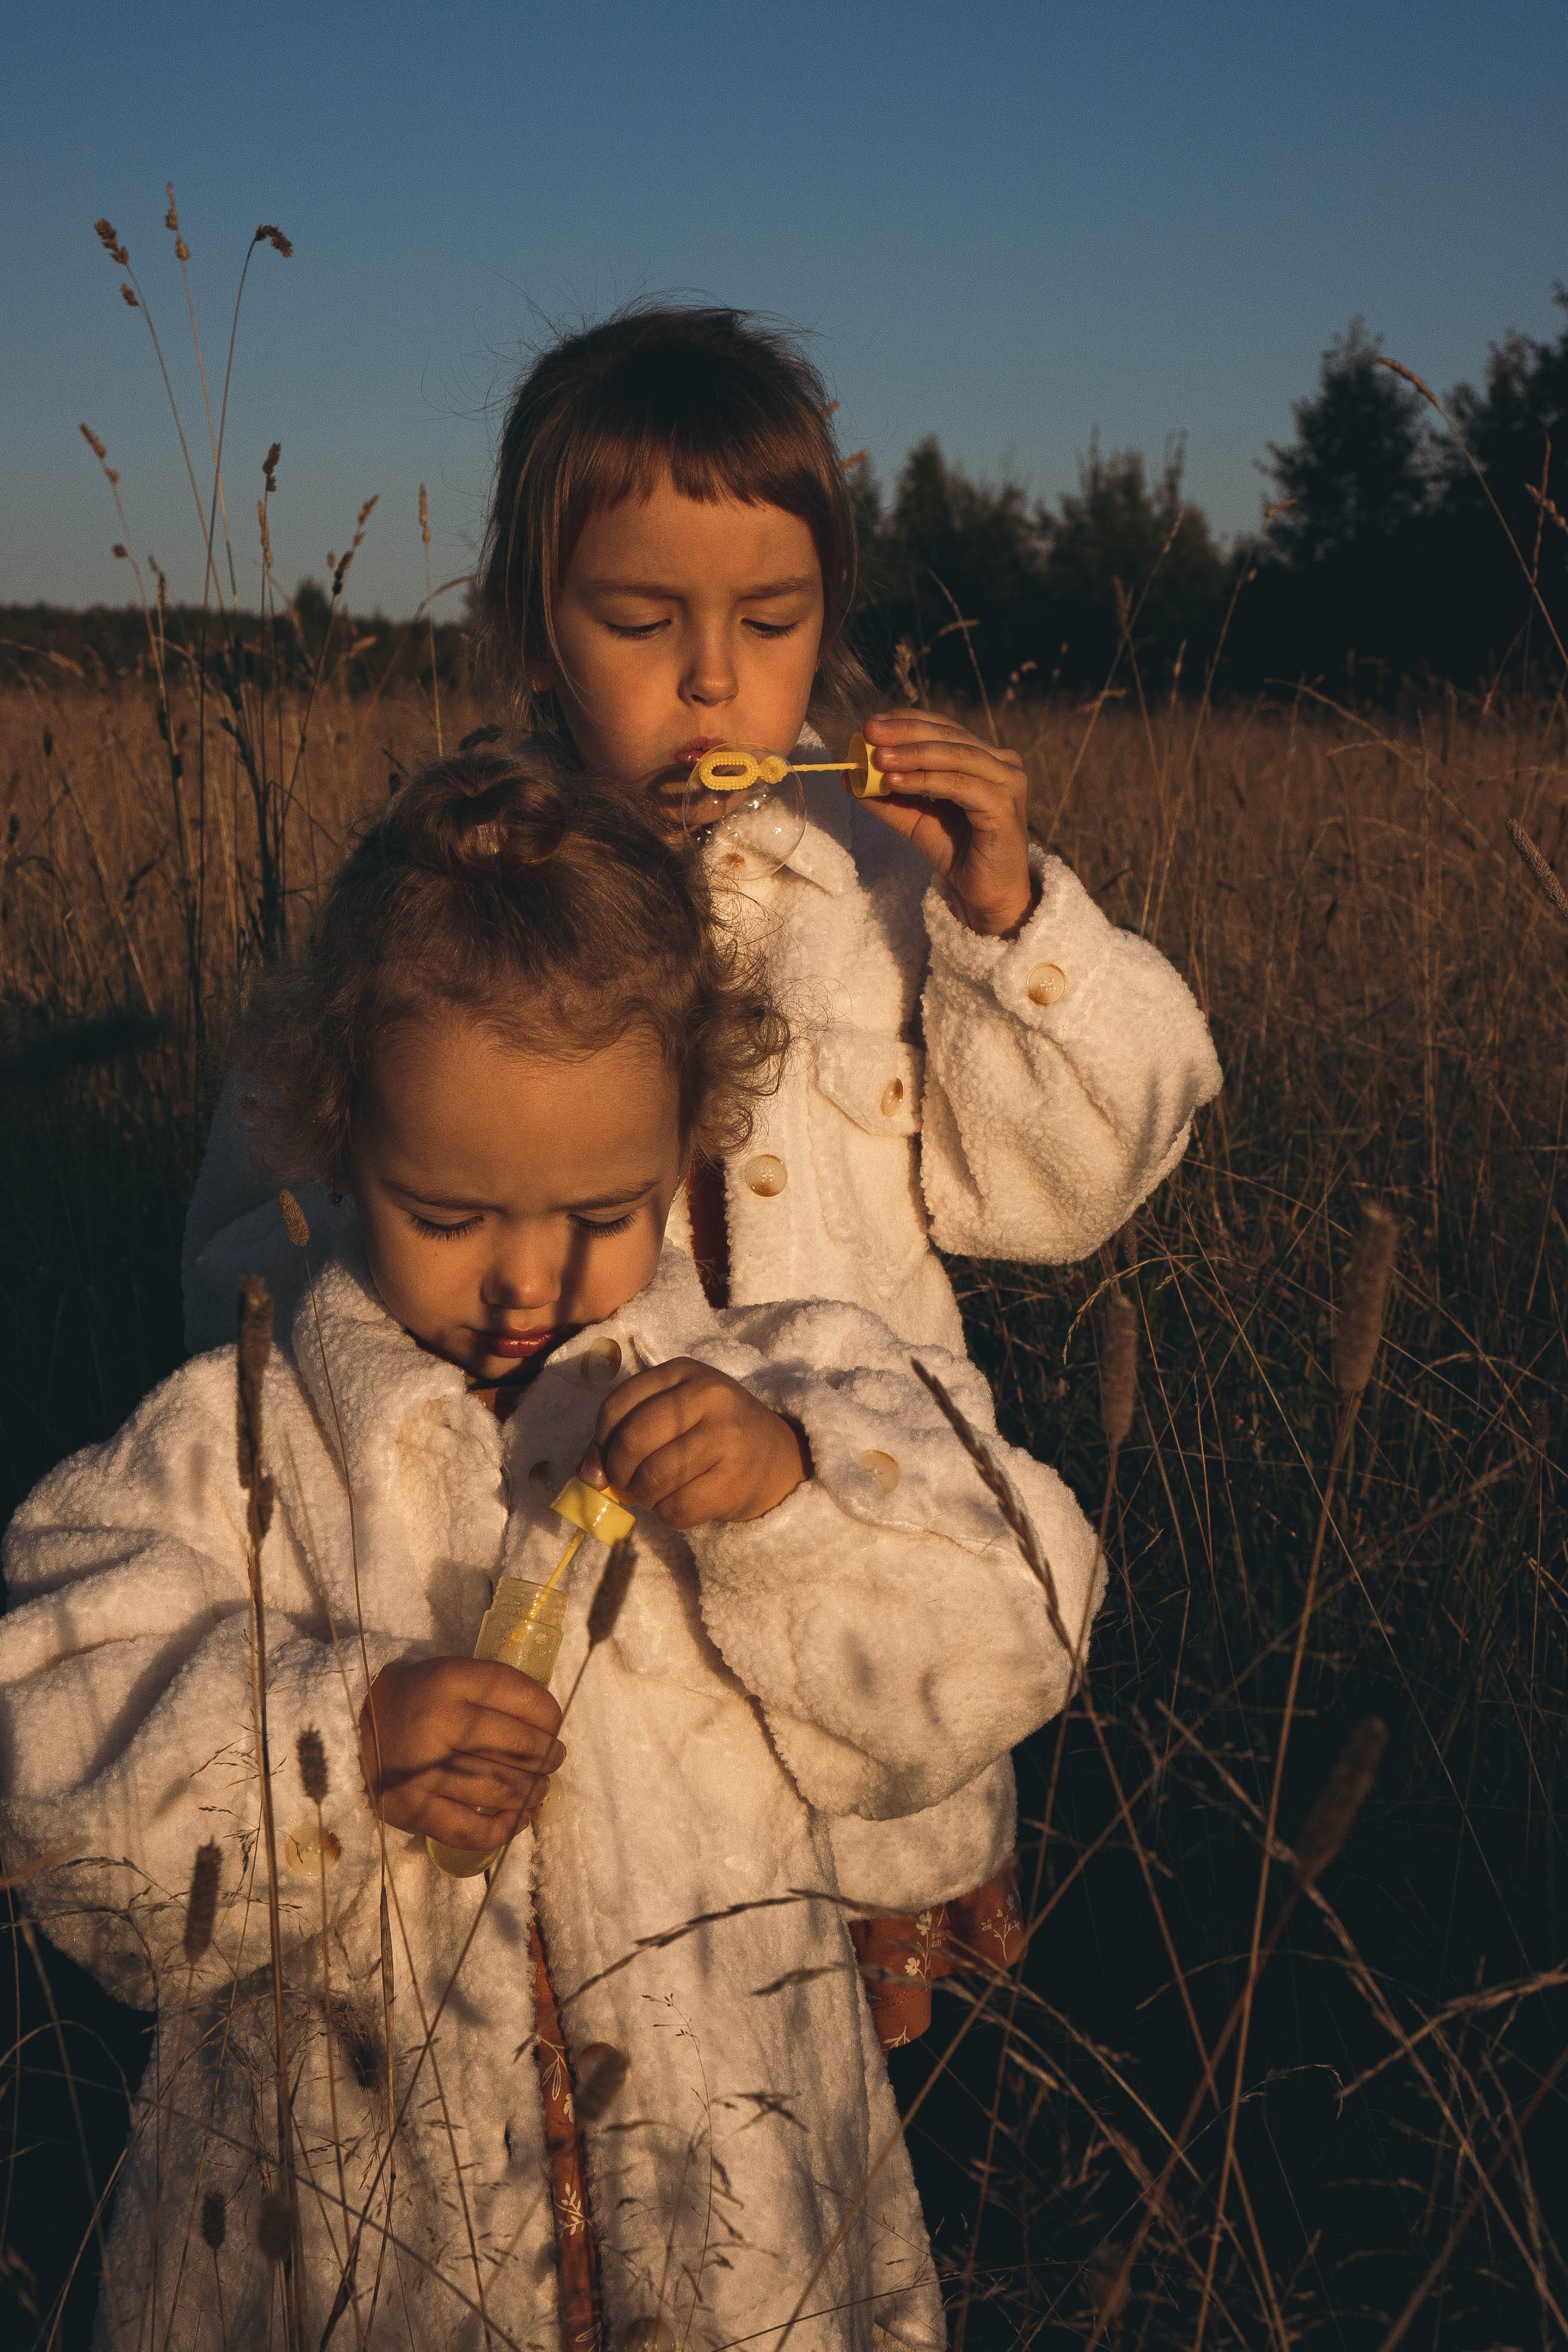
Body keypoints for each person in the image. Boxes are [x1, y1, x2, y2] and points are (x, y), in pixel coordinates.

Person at [180, 304, 1223, 2045]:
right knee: (606, 2052)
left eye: (773, 621)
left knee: (833, 2132)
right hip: (559, 1626)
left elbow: (1070, 1187)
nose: (717, 680)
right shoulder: (440, 901)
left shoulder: (883, 889)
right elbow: (248, 1240)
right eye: (641, 619)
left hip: (848, 1597)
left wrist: (1010, 924)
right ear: (529, 618)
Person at [1, 754, 1104, 2352]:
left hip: (739, 2220)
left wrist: (796, 1497)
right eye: (450, 1214)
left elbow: (1024, 1613)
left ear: (684, 1143)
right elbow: (45, 1747)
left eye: (602, 1209)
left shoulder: (781, 1386)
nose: (530, 1279)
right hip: (355, 2256)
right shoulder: (249, 1442)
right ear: (335, 1141)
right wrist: (330, 1742)